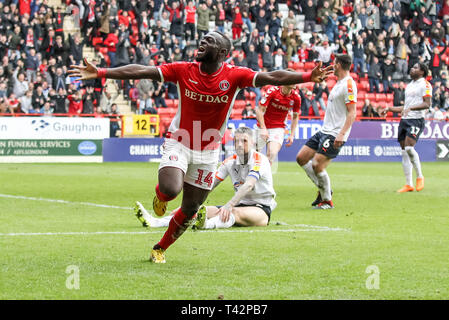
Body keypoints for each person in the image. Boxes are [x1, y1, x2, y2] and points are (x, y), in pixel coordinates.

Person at [69, 31, 332, 263]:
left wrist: (307, 75)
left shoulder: (235, 75)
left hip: (208, 152)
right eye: (203, 38)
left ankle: (160, 248)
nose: (203, 41)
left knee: (191, 209)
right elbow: (142, 70)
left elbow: (272, 76)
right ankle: (160, 197)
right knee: (171, 189)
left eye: (211, 40)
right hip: (180, 140)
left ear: (223, 53)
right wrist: (102, 72)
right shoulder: (184, 69)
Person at [134, 127, 276, 229]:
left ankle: (206, 225)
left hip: (261, 209)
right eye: (236, 141)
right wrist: (188, 205)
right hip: (240, 205)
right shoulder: (229, 162)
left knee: (232, 211)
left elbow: (248, 185)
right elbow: (209, 184)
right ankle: (154, 222)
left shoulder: (259, 160)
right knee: (191, 211)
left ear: (252, 143)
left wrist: (229, 205)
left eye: (244, 141)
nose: (239, 145)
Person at [296, 54, 357, 209]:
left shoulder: (349, 84)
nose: (332, 65)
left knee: (317, 165)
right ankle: (325, 189)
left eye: (334, 63)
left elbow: (352, 113)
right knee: (301, 158)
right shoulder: (338, 83)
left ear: (338, 65)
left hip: (334, 133)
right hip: (324, 130)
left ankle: (327, 200)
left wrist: (342, 134)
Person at [379, 63, 432, 193]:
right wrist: (389, 109)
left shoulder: (425, 85)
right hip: (405, 120)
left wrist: (411, 109)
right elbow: (406, 108)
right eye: (412, 67)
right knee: (404, 152)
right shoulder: (410, 86)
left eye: (415, 68)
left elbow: (427, 104)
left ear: (422, 72)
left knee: (409, 147)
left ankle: (420, 177)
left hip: (416, 120)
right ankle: (409, 184)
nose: (412, 69)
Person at [255, 78, 301, 165]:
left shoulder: (296, 98)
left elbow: (295, 117)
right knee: (253, 154)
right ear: (285, 81)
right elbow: (259, 110)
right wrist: (263, 128)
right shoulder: (272, 91)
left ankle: (263, 175)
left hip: (278, 128)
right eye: (293, 79)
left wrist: (292, 135)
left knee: (272, 153)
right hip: (263, 125)